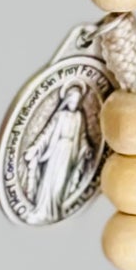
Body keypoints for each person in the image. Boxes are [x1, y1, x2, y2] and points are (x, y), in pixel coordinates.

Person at [21, 81, 95, 222]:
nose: (74, 103)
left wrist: (86, 148)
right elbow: (46, 134)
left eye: (77, 101)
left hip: (69, 155)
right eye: (72, 100)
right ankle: (42, 211)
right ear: (67, 99)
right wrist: (35, 147)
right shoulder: (59, 116)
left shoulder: (79, 117)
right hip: (56, 152)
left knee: (60, 183)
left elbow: (82, 137)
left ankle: (54, 212)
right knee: (49, 181)